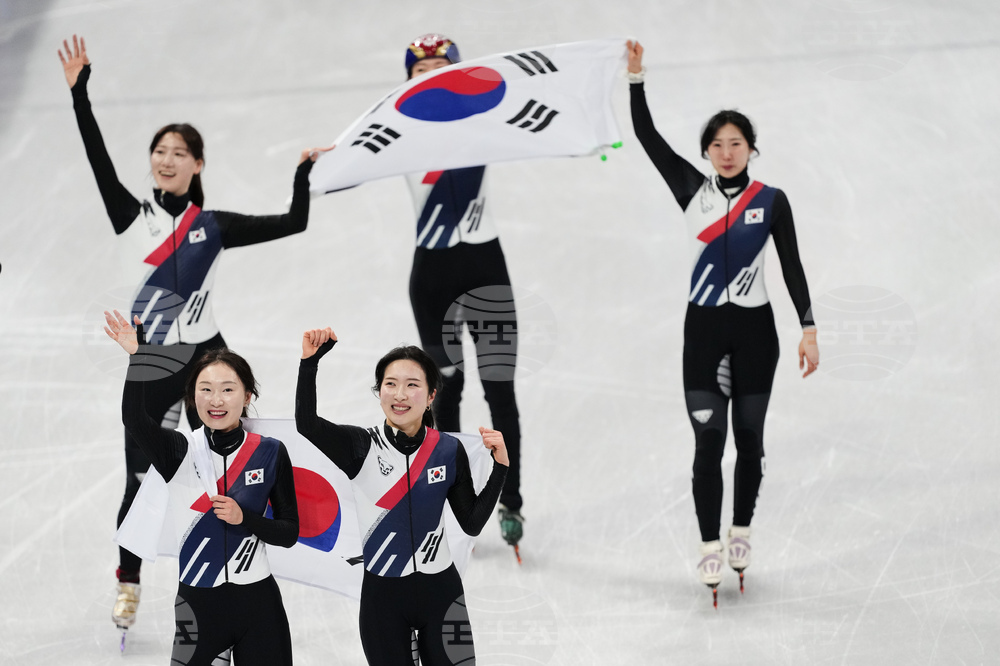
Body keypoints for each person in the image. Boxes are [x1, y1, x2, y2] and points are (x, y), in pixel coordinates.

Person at [58, 34, 329, 627]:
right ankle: (129, 579)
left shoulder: (214, 225)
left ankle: (235, 568)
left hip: (208, 358)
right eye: (159, 150)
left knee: (230, 471)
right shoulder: (132, 217)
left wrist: (303, 173)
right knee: (140, 475)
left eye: (179, 152)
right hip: (153, 359)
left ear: (197, 164)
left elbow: (294, 222)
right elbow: (97, 158)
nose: (166, 159)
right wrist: (80, 93)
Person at [626, 40, 820, 595]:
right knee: (709, 445)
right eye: (717, 144)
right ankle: (710, 544)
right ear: (707, 152)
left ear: (751, 149)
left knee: (750, 442)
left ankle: (741, 532)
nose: (727, 152)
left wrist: (808, 328)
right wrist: (637, 80)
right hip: (705, 336)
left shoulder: (772, 200)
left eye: (736, 143)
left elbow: (792, 265)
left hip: (757, 335)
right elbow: (647, 137)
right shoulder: (692, 192)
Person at [295, 326, 508, 665]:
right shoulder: (359, 446)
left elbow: (471, 522)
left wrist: (500, 468)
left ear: (431, 395)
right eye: (390, 384)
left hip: (442, 596)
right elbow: (307, 425)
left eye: (412, 385)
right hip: (384, 601)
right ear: (378, 391)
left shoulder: (448, 450)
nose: (400, 395)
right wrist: (310, 364)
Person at [104, 310, 298, 665]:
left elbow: (289, 533)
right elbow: (135, 420)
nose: (216, 400)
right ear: (192, 398)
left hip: (260, 608)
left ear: (247, 395)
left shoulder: (270, 452)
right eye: (205, 390)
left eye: (227, 390)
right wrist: (138, 359)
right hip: (198, 610)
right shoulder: (178, 452)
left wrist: (245, 519)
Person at [402, 34, 526, 550]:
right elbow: (348, 165)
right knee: (445, 391)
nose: (431, 72)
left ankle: (510, 500)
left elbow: (531, 120)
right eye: (421, 67)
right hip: (432, 278)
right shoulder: (397, 130)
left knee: (500, 391)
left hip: (484, 272)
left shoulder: (480, 121)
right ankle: (456, 501)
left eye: (441, 65)